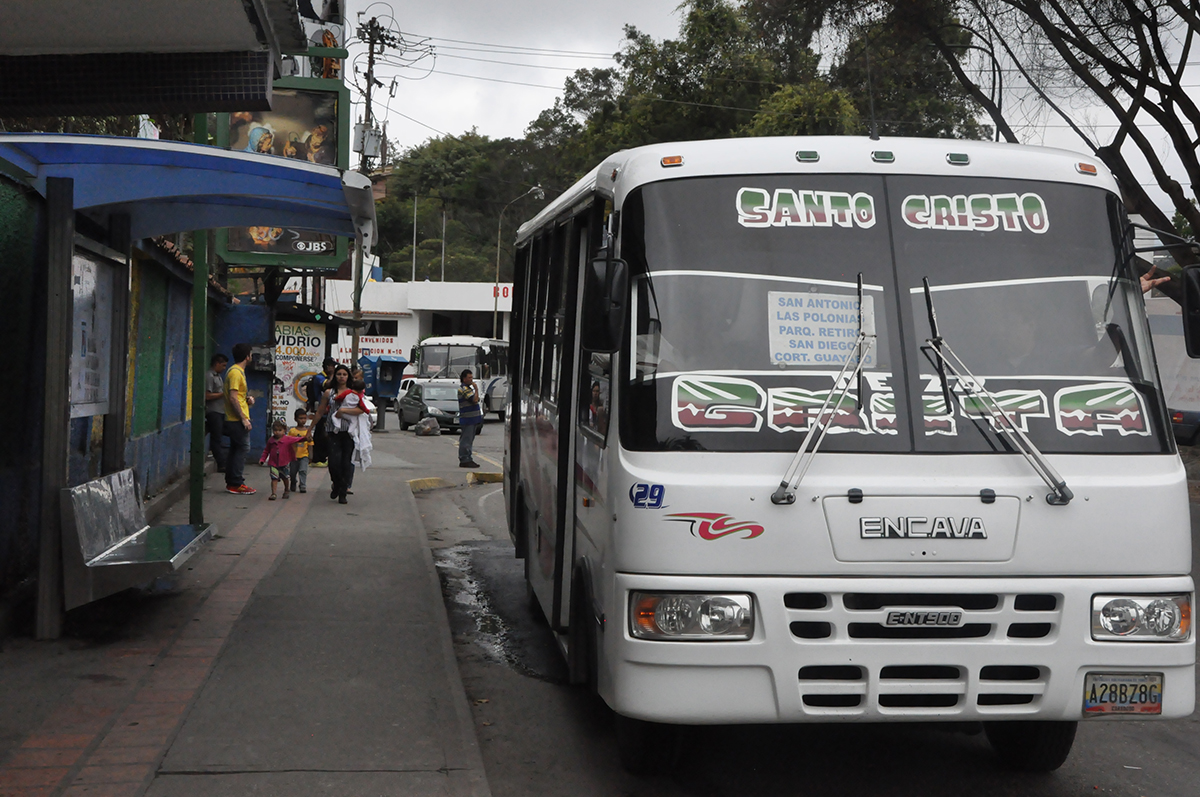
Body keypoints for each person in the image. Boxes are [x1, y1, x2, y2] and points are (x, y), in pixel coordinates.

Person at [311, 365, 357, 503]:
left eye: (344, 374)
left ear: (348, 376)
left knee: (346, 463)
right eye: (339, 374)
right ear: (334, 376)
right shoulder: (329, 393)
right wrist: (310, 429)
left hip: (349, 432)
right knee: (333, 462)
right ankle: (336, 484)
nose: (341, 377)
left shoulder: (353, 393)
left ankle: (343, 492)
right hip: (332, 431)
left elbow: (361, 411)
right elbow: (320, 411)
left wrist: (344, 412)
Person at [223, 343, 257, 495]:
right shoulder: (236, 373)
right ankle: (236, 482)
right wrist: (243, 418)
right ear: (247, 356)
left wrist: (247, 399)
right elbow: (233, 398)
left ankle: (232, 481)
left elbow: (238, 396)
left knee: (236, 449)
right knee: (242, 448)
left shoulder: (236, 372)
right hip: (236, 419)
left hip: (234, 417)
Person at [259, 421, 305, 500]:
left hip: (284, 463)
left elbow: (297, 439)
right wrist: (262, 459)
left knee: (285, 478)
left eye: (280, 430)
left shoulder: (287, 439)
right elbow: (266, 451)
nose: (277, 432)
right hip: (273, 463)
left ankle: (286, 490)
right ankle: (273, 493)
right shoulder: (271, 440)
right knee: (274, 478)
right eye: (275, 430)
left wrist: (306, 438)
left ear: (284, 430)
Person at [308, 358, 336, 467]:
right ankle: (318, 458)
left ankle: (323, 457)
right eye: (332, 366)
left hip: (328, 411)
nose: (333, 368)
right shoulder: (320, 377)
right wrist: (333, 375)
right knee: (320, 435)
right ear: (327, 366)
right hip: (322, 410)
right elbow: (327, 385)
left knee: (325, 435)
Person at [205, 354, 229, 471]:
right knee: (216, 438)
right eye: (223, 365)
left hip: (220, 410)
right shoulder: (209, 376)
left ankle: (223, 461)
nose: (224, 368)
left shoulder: (218, 376)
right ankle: (221, 463)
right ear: (217, 363)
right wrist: (223, 394)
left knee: (220, 434)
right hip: (213, 411)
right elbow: (207, 395)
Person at [457, 369, 483, 468]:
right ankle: (465, 458)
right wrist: (476, 389)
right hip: (468, 419)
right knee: (466, 440)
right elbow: (475, 400)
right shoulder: (464, 389)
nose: (471, 380)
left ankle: (468, 457)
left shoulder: (468, 389)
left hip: (473, 419)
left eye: (472, 377)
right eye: (469, 378)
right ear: (464, 379)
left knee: (469, 439)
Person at [288, 408, 311, 494]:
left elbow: (310, 443)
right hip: (293, 456)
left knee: (303, 470)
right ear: (295, 419)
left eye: (304, 418)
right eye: (301, 418)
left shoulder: (307, 432)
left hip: (304, 455)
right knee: (292, 472)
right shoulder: (292, 431)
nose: (303, 420)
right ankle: (293, 482)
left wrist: (310, 455)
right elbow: (288, 442)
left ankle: (303, 485)